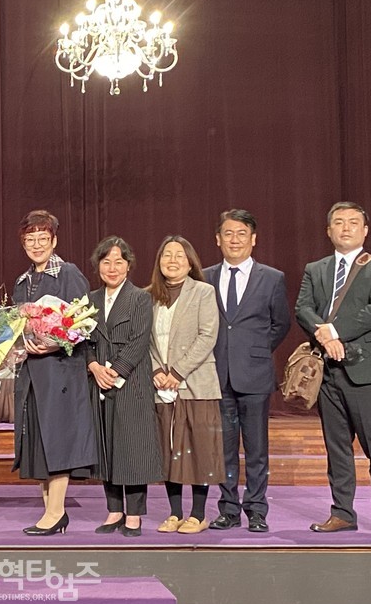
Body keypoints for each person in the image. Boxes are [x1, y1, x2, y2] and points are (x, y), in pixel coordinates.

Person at [295, 201, 371, 538]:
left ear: (365, 230)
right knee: (336, 447)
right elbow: (303, 308)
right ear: (328, 230)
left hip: (367, 370)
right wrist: (325, 337)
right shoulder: (316, 268)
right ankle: (342, 512)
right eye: (338, 222)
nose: (345, 228)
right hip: (328, 372)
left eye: (353, 222)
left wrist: (333, 331)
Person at [203, 210, 291, 533]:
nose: (235, 239)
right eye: (228, 233)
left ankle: (256, 509)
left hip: (254, 375)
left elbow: (281, 323)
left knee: (256, 448)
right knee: (223, 449)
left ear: (253, 239)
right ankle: (228, 508)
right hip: (216, 375)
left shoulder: (272, 277)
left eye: (241, 234)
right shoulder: (205, 276)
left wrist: (254, 350)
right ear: (218, 239)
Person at [12, 210, 96, 536]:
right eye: (30, 240)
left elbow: (84, 322)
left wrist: (54, 343)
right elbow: (18, 326)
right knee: (39, 440)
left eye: (42, 239)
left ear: (54, 240)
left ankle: (57, 511)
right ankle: (50, 509)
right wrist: (22, 343)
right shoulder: (23, 281)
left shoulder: (69, 273)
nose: (36, 245)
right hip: (32, 372)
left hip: (61, 371)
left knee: (57, 439)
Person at [147, 235, 223, 535]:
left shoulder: (203, 292)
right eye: (167, 255)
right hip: (161, 387)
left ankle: (198, 513)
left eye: (180, 255)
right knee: (169, 451)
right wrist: (156, 370)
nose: (173, 260)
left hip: (197, 384)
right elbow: (146, 341)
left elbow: (207, 336)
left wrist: (177, 371)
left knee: (199, 449)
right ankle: (175, 512)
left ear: (190, 261)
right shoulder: (148, 295)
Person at [86, 236, 161, 537]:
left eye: (118, 262)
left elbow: (139, 341)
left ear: (128, 266)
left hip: (130, 382)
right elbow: (83, 341)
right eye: (106, 262)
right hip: (98, 381)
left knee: (133, 448)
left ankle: (135, 514)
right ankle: (113, 509)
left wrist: (114, 372)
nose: (112, 268)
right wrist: (93, 367)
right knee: (107, 447)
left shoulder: (140, 298)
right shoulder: (90, 300)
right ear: (98, 266)